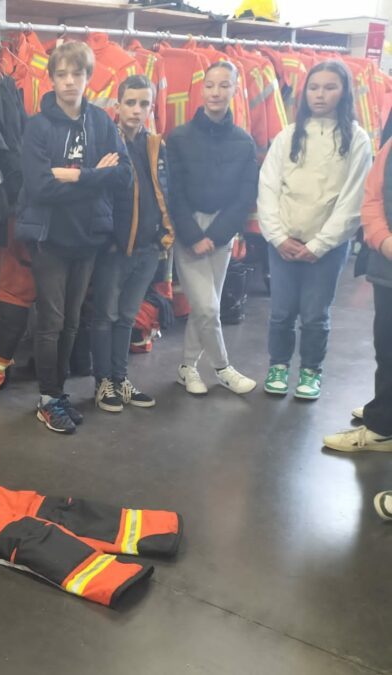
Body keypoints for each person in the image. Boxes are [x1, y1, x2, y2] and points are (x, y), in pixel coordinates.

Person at [17, 40, 132, 434]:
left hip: (88, 238)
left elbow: (122, 174)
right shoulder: (38, 126)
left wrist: (75, 175)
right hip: (51, 239)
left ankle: (58, 392)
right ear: (51, 79)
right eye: (61, 74)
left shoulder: (100, 121)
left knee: (70, 324)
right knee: (52, 322)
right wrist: (93, 178)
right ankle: (48, 399)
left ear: (88, 78)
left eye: (77, 74)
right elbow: (38, 186)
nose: (69, 81)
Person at [257, 60, 372, 400]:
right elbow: (268, 187)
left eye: (330, 87)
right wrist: (277, 236)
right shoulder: (287, 136)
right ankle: (278, 365)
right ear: (305, 92)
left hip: (327, 247)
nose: (320, 95)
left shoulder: (357, 140)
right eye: (314, 87)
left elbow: (353, 198)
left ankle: (310, 370)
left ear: (344, 92)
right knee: (281, 312)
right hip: (283, 244)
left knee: (315, 314)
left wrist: (320, 244)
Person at [166, 60, 259, 396]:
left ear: (234, 89)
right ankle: (223, 367)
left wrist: (218, 235)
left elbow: (246, 194)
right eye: (210, 85)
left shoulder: (243, 141)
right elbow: (171, 191)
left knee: (207, 305)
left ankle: (187, 367)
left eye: (224, 85)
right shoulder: (178, 138)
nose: (216, 92)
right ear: (201, 89)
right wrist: (192, 234)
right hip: (187, 228)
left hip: (223, 229)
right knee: (206, 306)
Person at [91, 74, 174, 413]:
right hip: (116, 247)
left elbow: (164, 191)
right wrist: (108, 239)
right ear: (118, 104)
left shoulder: (155, 144)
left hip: (149, 246)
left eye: (144, 104)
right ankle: (103, 383)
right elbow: (98, 194)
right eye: (130, 103)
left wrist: (164, 234)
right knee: (105, 315)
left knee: (127, 316)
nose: (137, 111)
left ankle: (120, 378)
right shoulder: (105, 141)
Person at [322, 112, 392, 455]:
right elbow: (373, 199)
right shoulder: (390, 149)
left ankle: (383, 422)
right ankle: (384, 417)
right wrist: (383, 241)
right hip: (388, 267)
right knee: (387, 345)